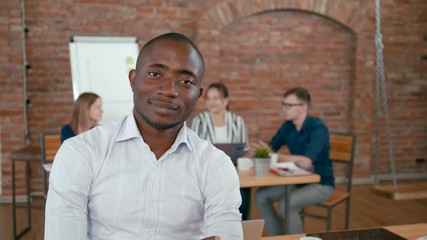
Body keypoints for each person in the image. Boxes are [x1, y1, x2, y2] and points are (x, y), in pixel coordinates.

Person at [45, 33, 243, 240]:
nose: (169, 91)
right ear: (133, 80)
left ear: (198, 94)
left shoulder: (216, 165)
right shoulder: (80, 152)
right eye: (155, 74)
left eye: (185, 81)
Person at [253, 87, 334, 235]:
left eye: (289, 105)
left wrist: (276, 156)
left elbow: (306, 162)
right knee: (260, 196)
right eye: (283, 104)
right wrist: (261, 152)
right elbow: (270, 149)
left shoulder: (318, 128)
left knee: (286, 204)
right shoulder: (288, 126)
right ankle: (277, 237)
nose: (284, 109)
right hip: (298, 180)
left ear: (304, 107)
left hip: (321, 183)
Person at [191, 82, 251, 220]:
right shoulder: (199, 121)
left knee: (243, 196)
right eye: (209, 98)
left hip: (234, 173)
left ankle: (239, 228)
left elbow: (245, 150)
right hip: (207, 174)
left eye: (215, 98)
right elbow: (193, 150)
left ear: (225, 101)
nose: (211, 102)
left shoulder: (238, 121)